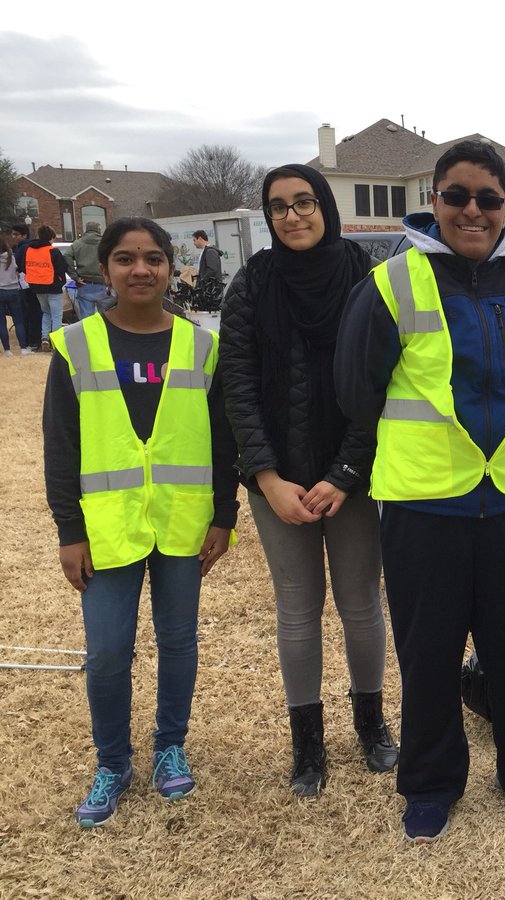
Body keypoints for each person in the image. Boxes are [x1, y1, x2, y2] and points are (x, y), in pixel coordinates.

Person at [335, 139, 505, 843]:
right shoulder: (392, 283)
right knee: (430, 652)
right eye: (457, 196)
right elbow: (356, 391)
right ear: (435, 202)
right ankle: (429, 783)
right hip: (425, 506)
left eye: (487, 198)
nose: (472, 210)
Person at [43, 217, 239, 827]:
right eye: (125, 259)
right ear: (105, 271)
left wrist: (224, 516)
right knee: (106, 651)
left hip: (182, 522)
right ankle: (113, 761)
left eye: (153, 258)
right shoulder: (76, 346)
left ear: (170, 267)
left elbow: (226, 441)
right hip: (107, 527)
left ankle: (168, 745)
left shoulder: (202, 346)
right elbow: (61, 445)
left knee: (178, 641)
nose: (141, 269)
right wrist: (68, 531)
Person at [220, 163, 396, 797]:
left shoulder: (366, 279)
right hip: (278, 483)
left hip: (352, 478)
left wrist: (346, 473)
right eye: (277, 207)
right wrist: (266, 478)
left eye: (303, 203)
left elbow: (380, 385)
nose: (291, 216)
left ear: (325, 205)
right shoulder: (251, 283)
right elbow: (236, 385)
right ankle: (308, 746)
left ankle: (372, 726)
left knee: (360, 602)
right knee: (298, 608)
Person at [11, 223, 47, 352]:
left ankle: (32, 340)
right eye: (13, 234)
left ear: (24, 235)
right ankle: (34, 339)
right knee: (35, 313)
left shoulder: (24, 248)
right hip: (33, 284)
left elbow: (20, 266)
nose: (13, 237)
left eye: (16, 234)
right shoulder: (25, 247)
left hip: (26, 285)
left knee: (30, 313)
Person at [67, 221, 113, 319]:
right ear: (98, 230)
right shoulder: (106, 244)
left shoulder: (77, 243)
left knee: (87, 319)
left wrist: (75, 277)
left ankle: (88, 334)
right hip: (104, 283)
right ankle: (105, 334)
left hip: (85, 284)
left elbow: (66, 256)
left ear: (86, 230)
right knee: (107, 318)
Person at [0, 235, 27, 355]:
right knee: (18, 320)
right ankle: (23, 348)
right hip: (13, 290)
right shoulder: (12, 258)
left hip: (0, 290)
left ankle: (7, 349)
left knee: (2, 322)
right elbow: (16, 271)